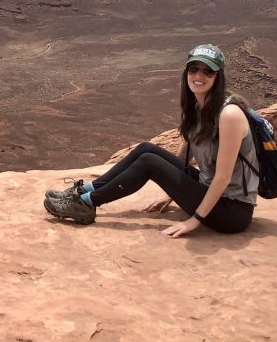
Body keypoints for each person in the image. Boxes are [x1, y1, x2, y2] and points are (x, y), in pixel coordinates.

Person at [43, 44, 258, 237]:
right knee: (146, 149)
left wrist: (194, 221)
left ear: (218, 76)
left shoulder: (229, 115)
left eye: (208, 71)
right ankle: (84, 191)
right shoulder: (201, 105)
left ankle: (86, 204)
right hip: (210, 193)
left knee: (149, 164)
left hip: (230, 211)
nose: (199, 76)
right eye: (194, 69)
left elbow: (223, 177)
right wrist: (171, 192)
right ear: (186, 72)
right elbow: (186, 152)